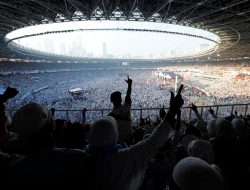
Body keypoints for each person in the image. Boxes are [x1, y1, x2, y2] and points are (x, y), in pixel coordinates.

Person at [87, 85, 184, 190]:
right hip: (129, 140)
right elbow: (153, 142)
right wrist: (173, 109)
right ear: (114, 135)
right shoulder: (127, 157)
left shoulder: (82, 158)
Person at [108, 75, 133, 144]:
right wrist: (129, 85)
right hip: (129, 140)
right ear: (121, 99)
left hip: (118, 142)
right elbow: (128, 95)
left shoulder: (110, 116)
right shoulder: (126, 107)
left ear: (111, 101)